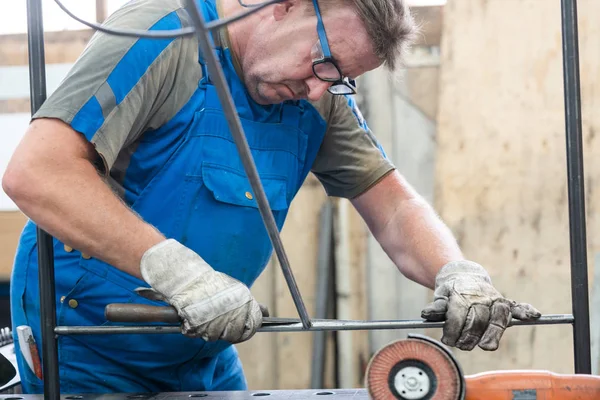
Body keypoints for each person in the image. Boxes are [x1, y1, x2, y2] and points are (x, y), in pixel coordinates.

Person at [2, 0, 541, 394]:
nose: (318, 89)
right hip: (88, 342)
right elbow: (37, 172)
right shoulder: (162, 35)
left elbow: (394, 203)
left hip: (202, 347)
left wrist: (458, 271)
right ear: (282, 6)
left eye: (341, 79)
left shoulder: (316, 95)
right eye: (323, 62)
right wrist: (182, 275)